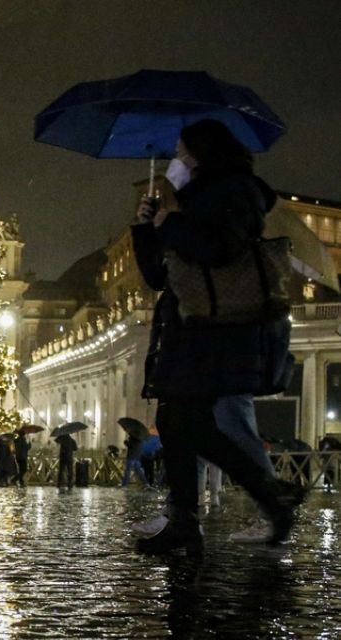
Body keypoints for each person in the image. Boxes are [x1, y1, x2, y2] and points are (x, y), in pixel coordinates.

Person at [131, 119, 304, 554]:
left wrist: (172, 222)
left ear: (203, 153)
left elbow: (220, 249)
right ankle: (215, 510)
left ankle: (257, 498)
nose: (178, 160)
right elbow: (158, 276)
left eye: (182, 151)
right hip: (187, 324)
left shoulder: (237, 190)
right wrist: (145, 228)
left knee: (184, 420)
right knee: (177, 420)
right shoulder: (189, 200)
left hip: (220, 328)